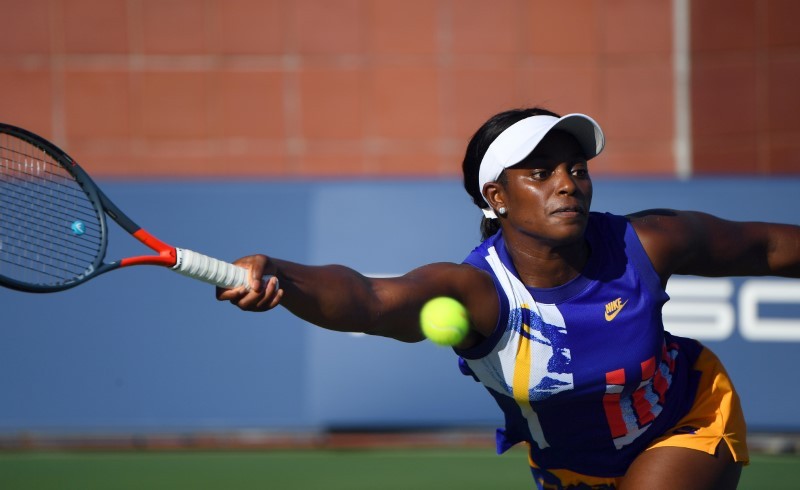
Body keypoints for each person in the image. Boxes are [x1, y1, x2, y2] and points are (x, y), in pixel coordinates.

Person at [217, 107, 800, 489]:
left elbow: (765, 248)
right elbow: (368, 299)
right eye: (540, 173)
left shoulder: (645, 242)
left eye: (575, 168)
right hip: (568, 468)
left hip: (684, 418)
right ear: (497, 196)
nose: (567, 182)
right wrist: (280, 277)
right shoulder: (478, 292)